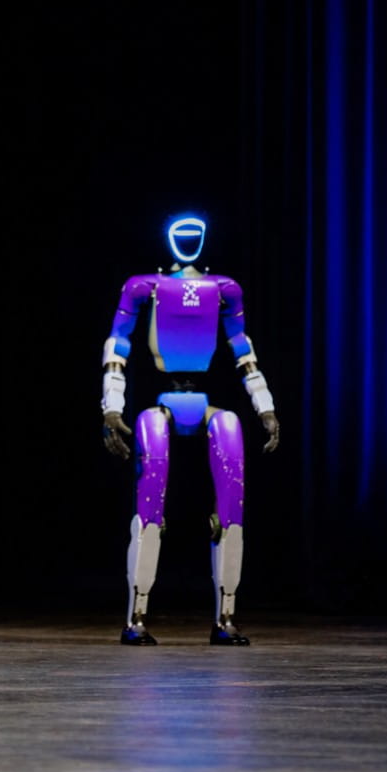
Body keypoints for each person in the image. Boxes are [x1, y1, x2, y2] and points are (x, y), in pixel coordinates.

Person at [100, 213, 280, 646]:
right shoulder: (144, 286)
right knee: (149, 504)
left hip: (204, 401)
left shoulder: (225, 288)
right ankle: (136, 617)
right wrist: (111, 408)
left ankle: (226, 618)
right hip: (163, 403)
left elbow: (243, 350)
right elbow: (118, 345)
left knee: (231, 486)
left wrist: (265, 407)